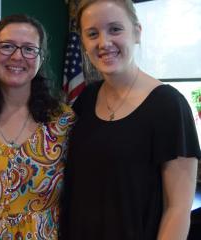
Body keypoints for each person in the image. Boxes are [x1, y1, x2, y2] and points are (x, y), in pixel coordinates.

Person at [61, 0, 201, 239]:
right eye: (92, 33)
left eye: (115, 29)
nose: (104, 42)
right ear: (84, 42)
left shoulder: (168, 105)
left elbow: (177, 210)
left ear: (137, 32)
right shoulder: (86, 99)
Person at [0, 14, 75, 239]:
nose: (17, 56)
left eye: (29, 49)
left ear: (40, 58)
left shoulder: (63, 122)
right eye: (7, 46)